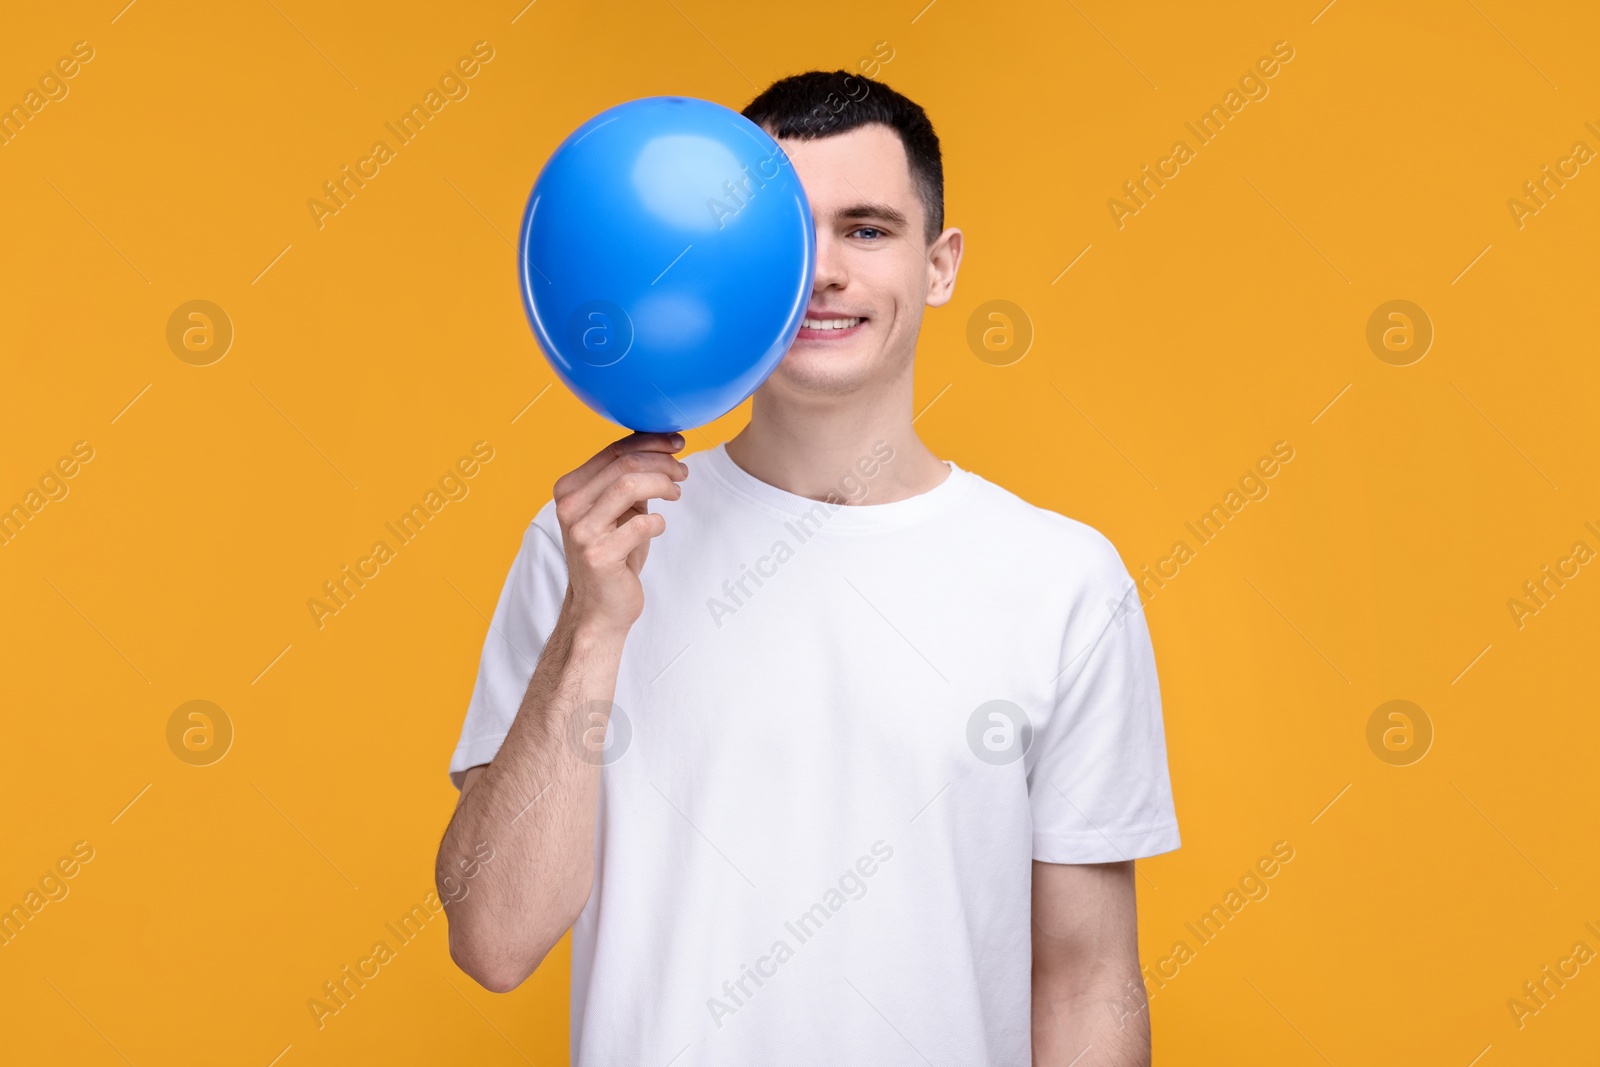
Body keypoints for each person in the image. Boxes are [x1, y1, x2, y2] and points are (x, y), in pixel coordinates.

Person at [435, 69, 1180, 1067]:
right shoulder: (593, 546)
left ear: (940, 263)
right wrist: (595, 628)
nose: (820, 272)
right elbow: (493, 937)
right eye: (784, 233)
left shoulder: (1062, 583)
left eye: (866, 229)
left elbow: (1088, 981)